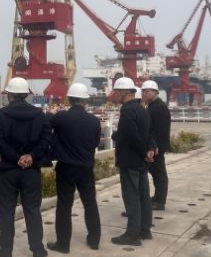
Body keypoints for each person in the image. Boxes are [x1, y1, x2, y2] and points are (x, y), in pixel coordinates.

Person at [0, 77, 52, 257]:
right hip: (31, 170)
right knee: (32, 209)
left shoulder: (1, 115)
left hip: (8, 170)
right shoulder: (39, 114)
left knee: (6, 209)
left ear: (9, 94)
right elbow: (46, 139)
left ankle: (5, 250)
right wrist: (30, 156)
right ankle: (38, 249)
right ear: (26, 94)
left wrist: (16, 158)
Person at [46, 83, 102, 254]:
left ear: (69, 99)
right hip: (86, 168)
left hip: (66, 167)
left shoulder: (61, 117)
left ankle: (63, 244)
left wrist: (50, 113)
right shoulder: (94, 121)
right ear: (85, 101)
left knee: (64, 205)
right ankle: (94, 240)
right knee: (90, 203)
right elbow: (95, 143)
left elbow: (46, 124)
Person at [111, 77, 156, 246]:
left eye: (117, 92)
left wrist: (144, 152)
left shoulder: (127, 110)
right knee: (144, 196)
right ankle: (145, 230)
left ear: (124, 92)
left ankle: (132, 235)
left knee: (131, 197)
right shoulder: (142, 109)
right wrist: (149, 149)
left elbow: (132, 136)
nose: (115, 95)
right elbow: (149, 132)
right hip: (142, 161)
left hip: (131, 160)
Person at [141, 80, 171, 211]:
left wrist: (156, 147)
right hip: (154, 146)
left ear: (156, 92)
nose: (144, 94)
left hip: (156, 147)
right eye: (143, 91)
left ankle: (160, 201)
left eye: (147, 91)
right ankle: (157, 198)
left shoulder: (159, 107)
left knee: (159, 174)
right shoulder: (153, 105)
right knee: (155, 173)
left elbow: (161, 130)